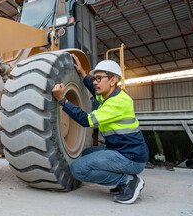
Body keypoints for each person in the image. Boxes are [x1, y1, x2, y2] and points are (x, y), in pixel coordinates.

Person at [52, 54, 149, 204]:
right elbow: (93, 88)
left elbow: (86, 120)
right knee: (86, 153)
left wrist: (62, 100)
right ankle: (122, 179)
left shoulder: (118, 103)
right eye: (94, 78)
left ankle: (127, 180)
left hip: (130, 157)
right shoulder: (107, 96)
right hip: (120, 149)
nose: (95, 83)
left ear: (112, 80)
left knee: (78, 168)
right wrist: (83, 73)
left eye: (99, 79)